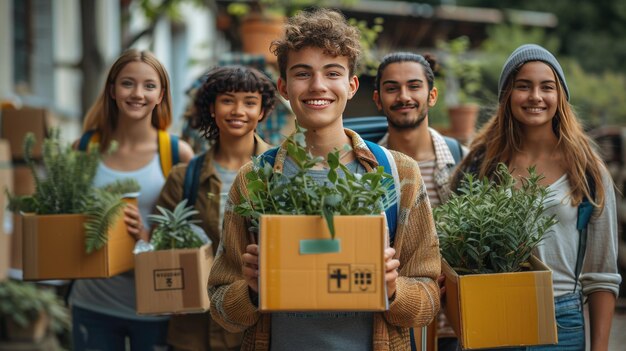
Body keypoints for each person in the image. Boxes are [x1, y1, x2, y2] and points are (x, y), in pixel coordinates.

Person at [208, 8, 440, 351]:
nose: (318, 86)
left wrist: (392, 288)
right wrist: (252, 290)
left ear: (351, 84)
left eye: (332, 73)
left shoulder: (397, 173)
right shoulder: (255, 178)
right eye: (303, 74)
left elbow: (429, 299)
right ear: (284, 87)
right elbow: (221, 306)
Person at [451, 44, 621, 351]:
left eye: (547, 87)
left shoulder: (587, 170)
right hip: (493, 314)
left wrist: (600, 348)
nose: (535, 97)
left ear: (560, 96)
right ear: (507, 95)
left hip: (562, 320)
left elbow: (602, 274)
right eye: (523, 86)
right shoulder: (480, 164)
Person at [69, 49, 194, 350]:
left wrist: (149, 237)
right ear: (112, 90)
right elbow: (66, 218)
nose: (138, 93)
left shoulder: (177, 154)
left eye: (149, 85)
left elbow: (193, 233)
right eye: (127, 83)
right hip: (93, 303)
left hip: (157, 304)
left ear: (161, 94)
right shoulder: (84, 149)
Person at [155, 65, 276, 351]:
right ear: (212, 107)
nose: (238, 110)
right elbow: (163, 243)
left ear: (261, 112)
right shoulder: (185, 177)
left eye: (249, 102)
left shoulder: (283, 171)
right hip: (195, 327)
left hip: (260, 323)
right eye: (227, 100)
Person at [373, 52, 465, 351]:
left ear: (432, 95)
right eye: (392, 88)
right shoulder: (365, 169)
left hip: (456, 330)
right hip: (393, 329)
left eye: (414, 86)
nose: (403, 97)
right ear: (377, 99)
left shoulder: (465, 162)